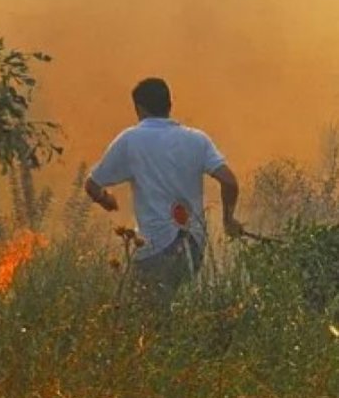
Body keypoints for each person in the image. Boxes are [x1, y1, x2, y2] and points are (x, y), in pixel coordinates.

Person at [84, 77, 244, 310]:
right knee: (169, 311)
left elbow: (92, 185)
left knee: (143, 321)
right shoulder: (197, 139)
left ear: (138, 108)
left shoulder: (131, 139)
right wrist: (229, 220)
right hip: (194, 247)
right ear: (170, 104)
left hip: (155, 249)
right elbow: (229, 181)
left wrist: (107, 200)